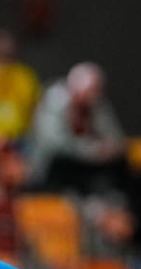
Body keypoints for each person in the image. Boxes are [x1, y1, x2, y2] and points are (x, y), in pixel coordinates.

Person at [28, 62, 126, 193]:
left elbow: (114, 136)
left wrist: (110, 148)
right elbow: (53, 143)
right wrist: (92, 150)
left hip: (87, 168)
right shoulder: (55, 101)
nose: (93, 97)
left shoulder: (96, 105)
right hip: (52, 169)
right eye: (90, 92)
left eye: (96, 92)